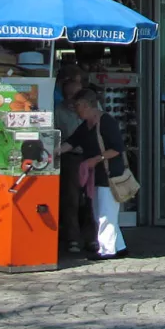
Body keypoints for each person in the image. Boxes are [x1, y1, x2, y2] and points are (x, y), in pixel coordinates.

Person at [67, 90, 128, 260]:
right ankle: (119, 246)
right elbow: (72, 142)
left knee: (105, 214)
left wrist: (96, 159)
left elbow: (117, 148)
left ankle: (107, 250)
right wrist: (54, 151)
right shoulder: (85, 125)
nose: (75, 109)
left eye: (77, 106)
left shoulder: (107, 122)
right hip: (96, 177)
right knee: (99, 212)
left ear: (87, 105)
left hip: (110, 175)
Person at [53, 63, 91, 254]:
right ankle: (73, 238)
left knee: (93, 199)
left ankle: (92, 237)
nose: (76, 87)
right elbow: (59, 133)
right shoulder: (59, 109)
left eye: (78, 83)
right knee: (71, 199)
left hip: (92, 155)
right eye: (72, 83)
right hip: (71, 157)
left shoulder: (91, 104)